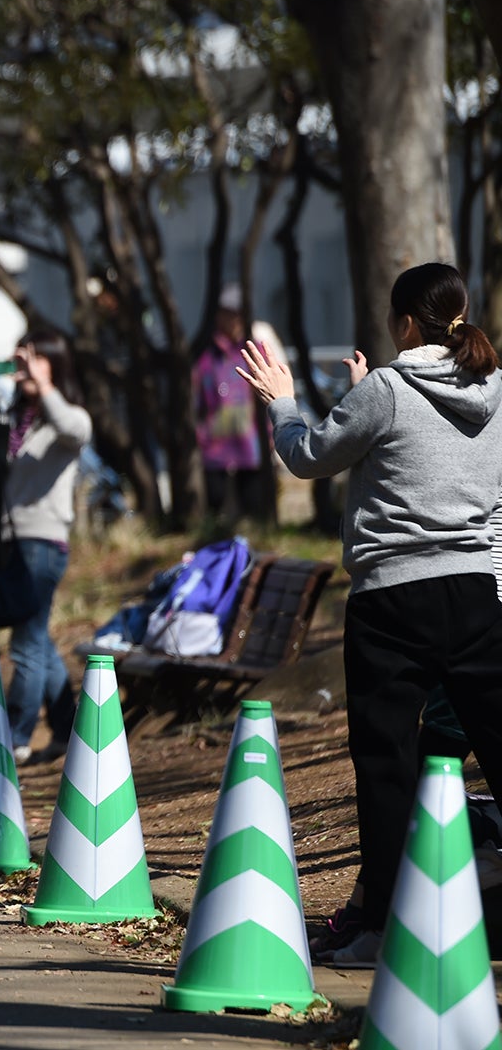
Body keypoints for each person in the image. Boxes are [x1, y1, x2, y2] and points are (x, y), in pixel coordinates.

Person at [238, 261, 502, 967]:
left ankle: (384, 930)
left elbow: (306, 457)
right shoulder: (492, 385)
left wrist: (283, 400)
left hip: (391, 599)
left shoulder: (386, 387)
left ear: (404, 324)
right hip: (477, 594)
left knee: (384, 767)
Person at [2, 331, 90, 765]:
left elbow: (76, 430)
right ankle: (66, 729)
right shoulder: (22, 417)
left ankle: (15, 739)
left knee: (25, 643)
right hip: (15, 542)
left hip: (43, 541)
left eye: (36, 361)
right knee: (38, 641)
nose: (25, 369)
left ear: (54, 365)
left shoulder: (65, 417)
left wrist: (45, 384)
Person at [196, 284, 266, 522]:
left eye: (237, 313)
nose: (233, 319)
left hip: (252, 444)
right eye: (228, 312)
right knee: (215, 509)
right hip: (215, 445)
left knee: (254, 507)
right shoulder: (206, 354)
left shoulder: (256, 351)